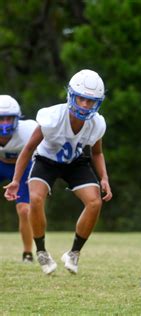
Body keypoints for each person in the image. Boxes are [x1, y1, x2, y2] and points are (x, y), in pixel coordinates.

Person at [4, 69, 112, 275]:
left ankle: (74, 253)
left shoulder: (96, 122)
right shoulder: (52, 117)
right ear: (71, 96)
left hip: (75, 162)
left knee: (95, 201)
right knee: (35, 198)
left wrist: (104, 177)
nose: (85, 105)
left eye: (91, 101)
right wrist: (16, 180)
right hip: (46, 160)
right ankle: (41, 251)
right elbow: (28, 149)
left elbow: (97, 153)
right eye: (81, 99)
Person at [0, 95, 37, 263]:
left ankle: (28, 253)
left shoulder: (29, 130)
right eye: (1, 119)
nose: (5, 123)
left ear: (17, 119)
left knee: (24, 210)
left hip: (22, 167)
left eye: (9, 118)